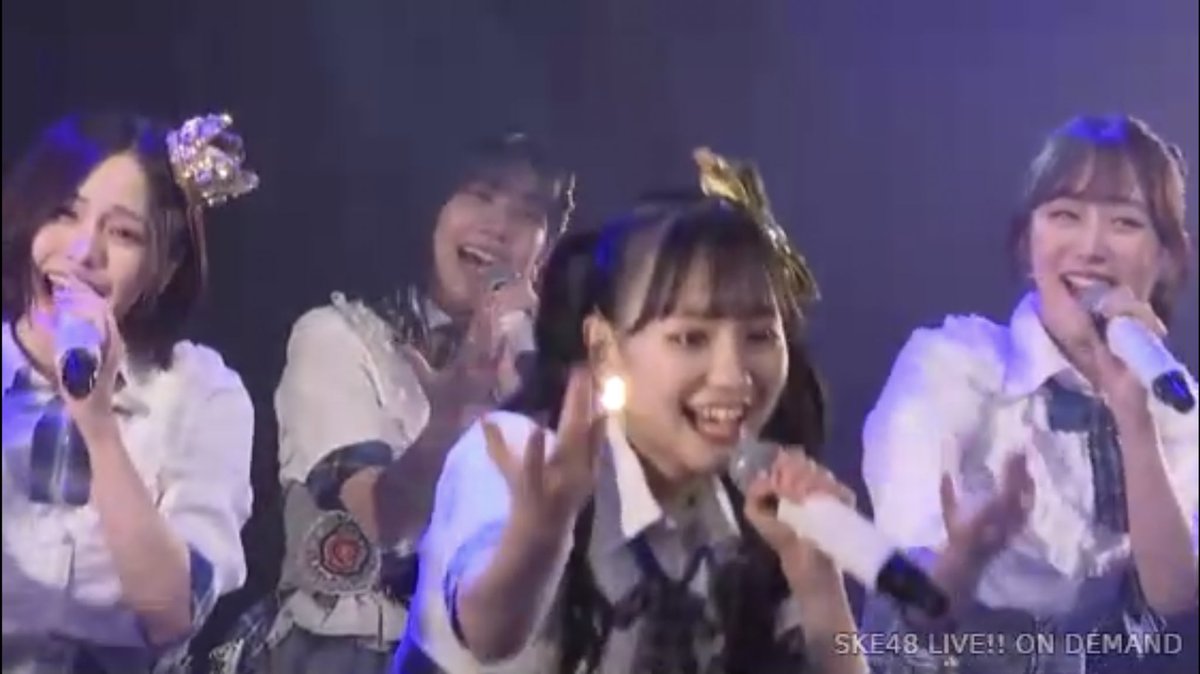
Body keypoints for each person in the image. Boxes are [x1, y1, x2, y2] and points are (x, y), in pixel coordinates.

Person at [394, 148, 868, 674]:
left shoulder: (750, 513)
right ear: (603, 348)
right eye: (690, 338)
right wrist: (540, 535)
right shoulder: (524, 454)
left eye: (759, 336)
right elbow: (488, 632)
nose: (733, 376)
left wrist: (818, 580)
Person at [225, 133, 574, 674]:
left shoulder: (554, 378)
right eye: (479, 195)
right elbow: (379, 520)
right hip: (345, 654)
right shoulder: (340, 338)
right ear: (432, 208)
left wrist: (538, 387)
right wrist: (447, 422)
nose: (499, 227)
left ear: (545, 250)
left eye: (527, 214)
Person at [860, 115, 1198, 673]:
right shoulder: (954, 364)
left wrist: (1134, 416)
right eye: (1065, 215)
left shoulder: (1173, 397)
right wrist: (966, 555)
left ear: (1165, 256)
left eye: (1125, 222)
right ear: (1027, 243)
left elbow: (1174, 595)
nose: (1091, 247)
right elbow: (905, 583)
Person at [0, 111, 259, 673]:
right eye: (64, 213)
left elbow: (172, 614)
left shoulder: (202, 394)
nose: (83, 252)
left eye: (122, 233)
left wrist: (98, 426)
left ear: (162, 268)